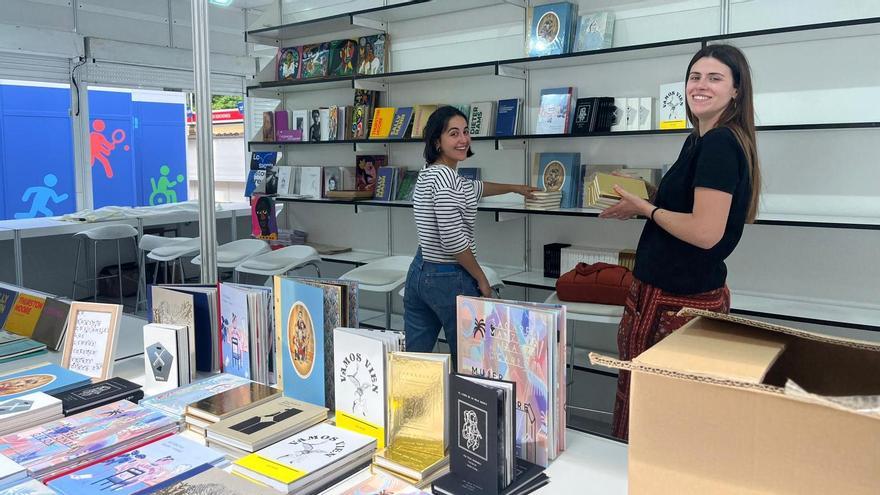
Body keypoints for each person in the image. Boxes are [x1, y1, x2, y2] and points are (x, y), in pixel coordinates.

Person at [599, 44, 762, 441]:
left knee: (661, 418)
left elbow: (705, 232)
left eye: (715, 77)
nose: (700, 86)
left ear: (736, 90)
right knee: (658, 409)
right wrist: (647, 195)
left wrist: (646, 209)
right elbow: (688, 207)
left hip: (674, 303)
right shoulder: (700, 139)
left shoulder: (719, 144)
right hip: (665, 295)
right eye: (695, 76)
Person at [403, 106, 538, 368]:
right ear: (437, 141)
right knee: (470, 364)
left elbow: (474, 188)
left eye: (466, 132)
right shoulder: (446, 180)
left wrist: (515, 188)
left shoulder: (431, 173)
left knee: (414, 363)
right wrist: (482, 279)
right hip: (449, 276)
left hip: (419, 271)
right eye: (453, 134)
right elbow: (453, 240)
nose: (463, 139)